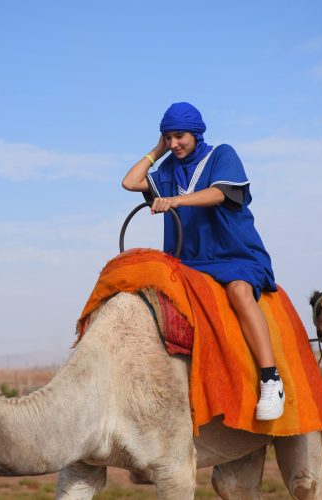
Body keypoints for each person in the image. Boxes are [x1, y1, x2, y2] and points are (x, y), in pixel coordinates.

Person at [122, 101, 285, 421]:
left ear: (196, 133)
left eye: (179, 136)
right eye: (168, 137)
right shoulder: (167, 168)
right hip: (189, 262)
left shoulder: (222, 155)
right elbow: (129, 182)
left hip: (234, 254)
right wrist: (156, 150)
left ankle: (270, 379)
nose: (174, 144)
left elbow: (220, 194)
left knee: (239, 291)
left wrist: (176, 200)